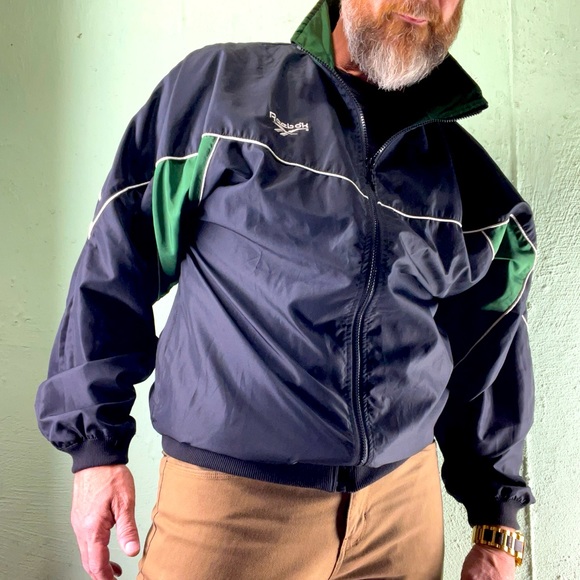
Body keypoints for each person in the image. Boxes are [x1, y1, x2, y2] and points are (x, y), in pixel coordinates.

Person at [35, 0, 536, 578]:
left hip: (402, 517)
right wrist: (94, 450)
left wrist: (498, 519)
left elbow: (489, 356)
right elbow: (117, 259)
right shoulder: (222, 95)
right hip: (233, 510)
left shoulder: (471, 185)